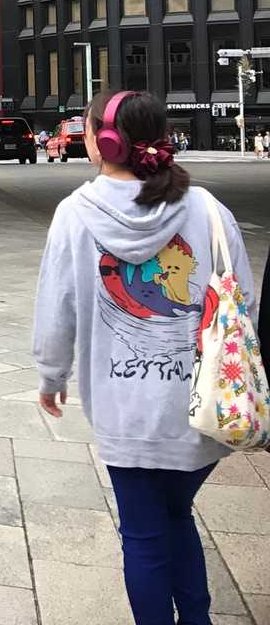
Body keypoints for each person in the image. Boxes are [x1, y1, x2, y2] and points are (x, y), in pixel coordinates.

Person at [33, 90, 255, 625]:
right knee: (177, 515)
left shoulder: (76, 214)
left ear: (104, 142)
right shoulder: (208, 209)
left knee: (143, 535)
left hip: (124, 408)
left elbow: (56, 306)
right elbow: (243, 300)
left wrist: (52, 374)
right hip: (202, 406)